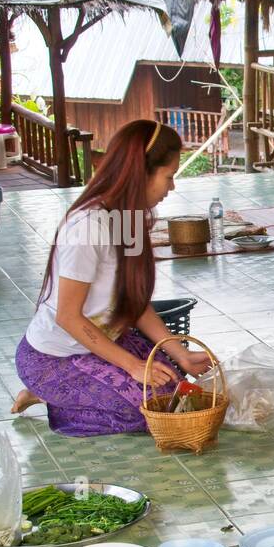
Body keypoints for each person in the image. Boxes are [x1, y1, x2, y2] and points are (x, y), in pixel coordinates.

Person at [11, 120, 212, 436]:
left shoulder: (126, 218)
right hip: (54, 359)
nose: (172, 187)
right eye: (169, 176)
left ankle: (73, 395)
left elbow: (135, 303)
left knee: (175, 393)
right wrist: (131, 366)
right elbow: (68, 317)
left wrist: (181, 354)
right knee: (149, 412)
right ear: (141, 173)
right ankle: (51, 396)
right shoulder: (88, 227)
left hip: (99, 344)